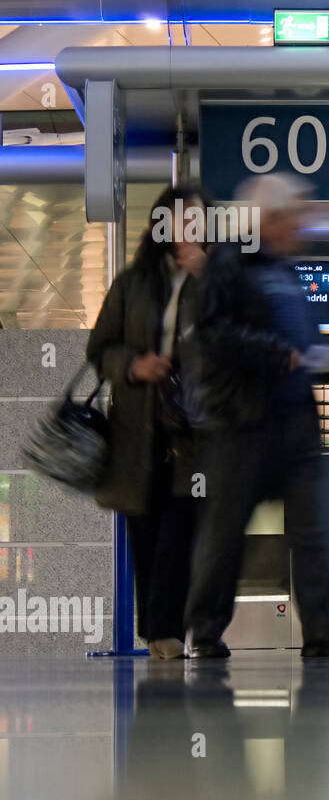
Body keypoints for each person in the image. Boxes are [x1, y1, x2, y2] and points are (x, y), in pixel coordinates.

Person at [183, 173, 329, 659]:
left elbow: (296, 343)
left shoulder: (287, 273)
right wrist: (274, 354)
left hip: (295, 422)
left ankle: (324, 632)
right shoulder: (229, 265)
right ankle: (205, 633)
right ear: (266, 220)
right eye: (292, 220)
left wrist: (317, 361)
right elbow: (214, 335)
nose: (300, 229)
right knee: (226, 530)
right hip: (243, 422)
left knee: (311, 530)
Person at [86, 184, 209, 660]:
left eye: (198, 221)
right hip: (139, 433)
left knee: (181, 533)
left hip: (194, 435)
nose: (190, 230)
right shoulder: (132, 284)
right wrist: (135, 365)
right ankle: (158, 634)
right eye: (182, 219)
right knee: (148, 532)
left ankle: (166, 632)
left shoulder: (214, 283)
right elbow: (99, 350)